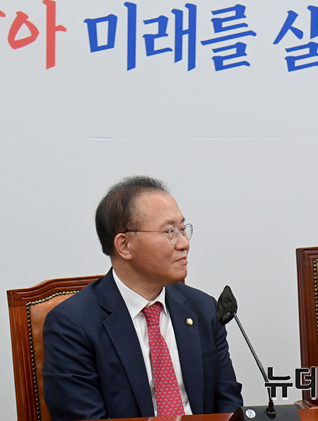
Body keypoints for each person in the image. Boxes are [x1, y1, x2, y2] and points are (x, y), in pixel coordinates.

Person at [43, 176, 243, 420]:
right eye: (170, 232)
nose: (184, 244)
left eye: (183, 229)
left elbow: (228, 404)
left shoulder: (203, 309)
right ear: (124, 245)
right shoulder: (72, 324)